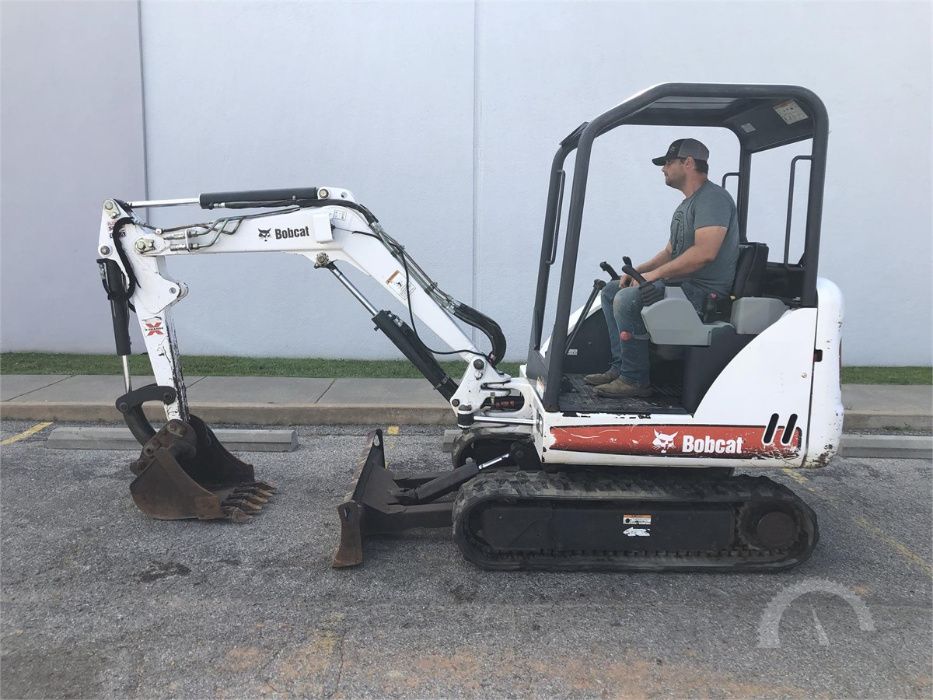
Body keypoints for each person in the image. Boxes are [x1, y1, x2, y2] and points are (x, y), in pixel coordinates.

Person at [585, 138, 740, 398]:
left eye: (668, 162)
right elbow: (670, 252)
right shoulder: (686, 205)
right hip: (684, 285)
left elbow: (705, 253)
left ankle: (635, 380)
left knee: (627, 299)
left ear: (688, 163)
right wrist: (636, 271)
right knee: (613, 291)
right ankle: (620, 367)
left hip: (704, 294)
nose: (663, 169)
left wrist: (653, 276)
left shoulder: (713, 199)